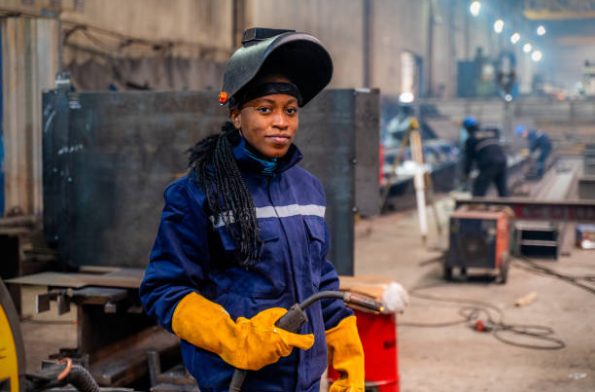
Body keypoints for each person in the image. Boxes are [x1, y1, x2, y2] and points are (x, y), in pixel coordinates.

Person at [139, 28, 364, 392]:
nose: (281, 121)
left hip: (306, 381)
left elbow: (319, 279)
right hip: (238, 382)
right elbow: (164, 289)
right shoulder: (197, 192)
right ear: (236, 115)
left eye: (290, 110)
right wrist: (234, 338)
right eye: (265, 109)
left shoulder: (309, 189)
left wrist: (345, 346)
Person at [461, 116, 508, 197]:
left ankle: (476, 206)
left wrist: (466, 174)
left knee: (479, 190)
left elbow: (469, 159)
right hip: (502, 161)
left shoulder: (471, 139)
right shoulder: (490, 133)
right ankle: (507, 206)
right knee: (502, 190)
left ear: (467, 129)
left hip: (489, 163)